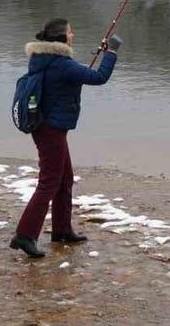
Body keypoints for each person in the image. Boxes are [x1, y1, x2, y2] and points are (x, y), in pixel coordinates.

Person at [9, 18, 120, 258]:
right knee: (50, 181)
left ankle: (62, 230)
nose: (73, 35)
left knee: (64, 178)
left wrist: (102, 53)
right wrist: (111, 52)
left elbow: (77, 74)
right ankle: (25, 235)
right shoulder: (62, 64)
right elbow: (99, 77)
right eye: (70, 32)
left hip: (47, 127)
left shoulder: (43, 59)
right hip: (51, 129)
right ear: (61, 38)